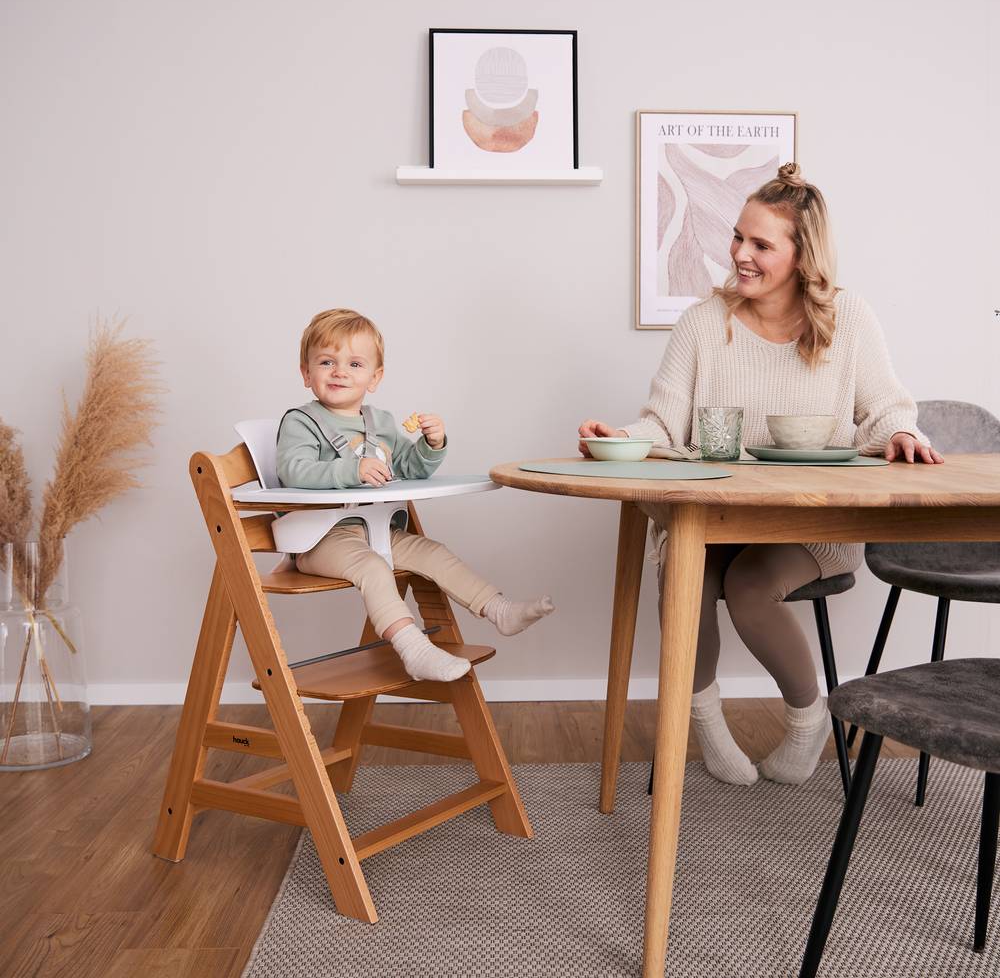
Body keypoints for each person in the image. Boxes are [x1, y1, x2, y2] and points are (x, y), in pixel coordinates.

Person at [578, 163, 942, 786]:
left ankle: (808, 723)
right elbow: (662, 424)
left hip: (810, 522)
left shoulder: (847, 320)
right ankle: (708, 726)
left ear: (803, 256)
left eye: (761, 245)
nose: (740, 255)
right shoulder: (702, 323)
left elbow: (885, 408)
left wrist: (903, 434)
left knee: (749, 586)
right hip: (716, 516)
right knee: (683, 577)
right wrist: (624, 440)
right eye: (738, 238)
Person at [277, 308, 554, 683]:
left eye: (355, 363)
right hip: (318, 541)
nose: (340, 371)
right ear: (306, 373)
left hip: (374, 532)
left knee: (432, 551)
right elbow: (293, 470)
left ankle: (498, 610)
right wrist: (350, 470)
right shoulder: (300, 422)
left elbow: (410, 468)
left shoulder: (382, 424)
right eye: (327, 362)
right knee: (373, 568)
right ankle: (413, 649)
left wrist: (431, 444)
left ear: (374, 378)